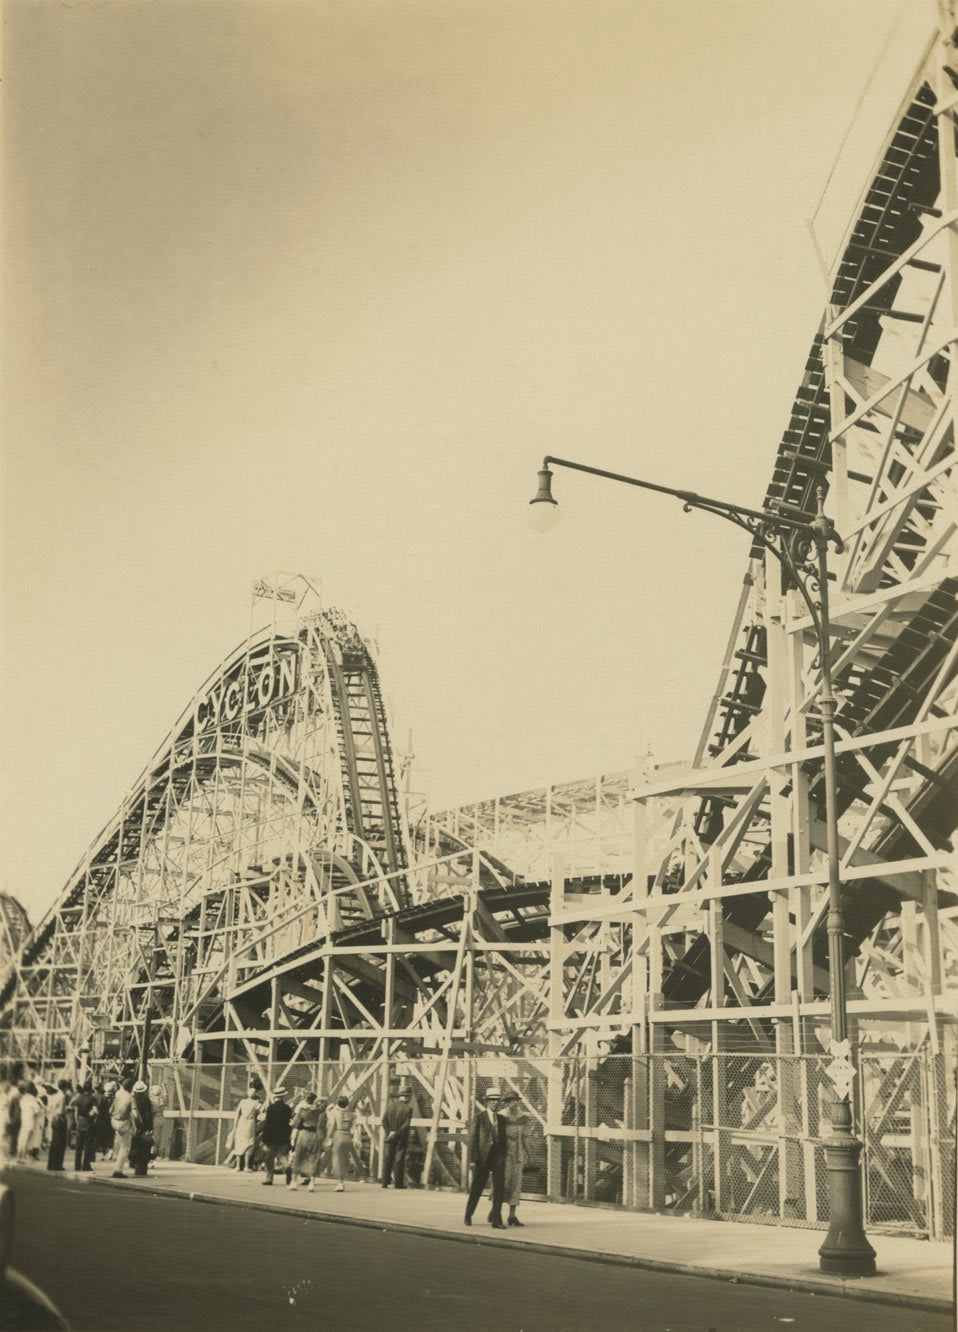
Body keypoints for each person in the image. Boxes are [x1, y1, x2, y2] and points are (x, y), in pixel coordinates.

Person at [464, 1086, 507, 1229]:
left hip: (498, 1156)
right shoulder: (479, 1117)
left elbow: (503, 1138)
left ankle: (496, 1220)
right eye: (492, 1100)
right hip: (482, 1158)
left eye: (497, 1100)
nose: (495, 1102)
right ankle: (468, 1215)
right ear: (487, 1101)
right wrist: (473, 1160)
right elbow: (472, 1139)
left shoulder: (502, 1119)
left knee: (499, 1188)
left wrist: (504, 1154)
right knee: (477, 1187)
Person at [499, 1091, 528, 1227]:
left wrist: (529, 1154)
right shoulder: (502, 1116)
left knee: (516, 1183)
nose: (515, 1103)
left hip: (517, 1152)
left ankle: (512, 1215)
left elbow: (524, 1137)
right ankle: (496, 1212)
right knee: (504, 1181)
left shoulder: (521, 1116)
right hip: (504, 1152)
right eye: (512, 1100)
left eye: (516, 1100)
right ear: (507, 1102)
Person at [288, 1092, 325, 1191]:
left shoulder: (302, 1110)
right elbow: (322, 1125)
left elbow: (295, 1124)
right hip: (314, 1135)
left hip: (303, 1134)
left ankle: (294, 1182)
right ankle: (311, 1183)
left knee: (298, 1157)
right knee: (313, 1158)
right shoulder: (319, 1112)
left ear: (305, 1100)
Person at [259, 1086, 293, 1186]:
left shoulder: (271, 1108)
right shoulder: (287, 1109)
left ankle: (269, 1178)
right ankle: (287, 1166)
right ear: (283, 1097)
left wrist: (264, 1138)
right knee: (281, 1155)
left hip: (272, 1136)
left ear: (275, 1097)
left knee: (269, 1158)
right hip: (284, 1136)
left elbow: (267, 1124)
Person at [380, 1086, 412, 1189]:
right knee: (399, 1160)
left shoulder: (390, 1106)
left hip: (389, 1136)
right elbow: (406, 1124)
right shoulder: (408, 1108)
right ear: (407, 1097)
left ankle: (384, 1182)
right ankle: (398, 1184)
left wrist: (389, 1132)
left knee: (388, 1158)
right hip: (401, 1137)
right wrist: (397, 1133)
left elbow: (384, 1120)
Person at [325, 1095, 359, 1192]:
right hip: (347, 1136)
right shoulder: (352, 1114)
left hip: (338, 1135)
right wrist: (356, 1138)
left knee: (337, 1160)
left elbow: (332, 1127)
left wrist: (328, 1138)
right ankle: (348, 1170)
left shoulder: (336, 1113)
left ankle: (340, 1183)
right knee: (344, 1158)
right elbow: (355, 1128)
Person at [70, 1082, 98, 1172]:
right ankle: (86, 1165)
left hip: (80, 1122)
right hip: (88, 1122)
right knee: (87, 1146)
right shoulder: (92, 1098)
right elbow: (96, 1111)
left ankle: (77, 1165)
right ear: (90, 1089)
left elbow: (76, 1112)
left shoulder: (79, 1097)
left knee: (78, 1146)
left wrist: (77, 1121)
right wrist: (93, 1117)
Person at [232, 1086, 260, 1172]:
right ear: (255, 1094)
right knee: (249, 1144)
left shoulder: (242, 1102)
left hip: (241, 1123)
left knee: (239, 1143)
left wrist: (235, 1126)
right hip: (250, 1123)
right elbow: (259, 1113)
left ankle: (238, 1166)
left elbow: (237, 1114)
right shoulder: (256, 1103)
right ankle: (247, 1167)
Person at [129, 1081, 154, 1176]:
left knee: (135, 1144)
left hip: (133, 1125)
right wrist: (150, 1127)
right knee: (144, 1147)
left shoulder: (133, 1098)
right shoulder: (145, 1100)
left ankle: (133, 1163)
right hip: (143, 1125)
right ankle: (142, 1169)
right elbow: (148, 1115)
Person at [110, 1077, 134, 1177]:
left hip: (114, 1120)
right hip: (123, 1122)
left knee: (119, 1142)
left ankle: (115, 1156)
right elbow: (133, 1113)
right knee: (126, 1147)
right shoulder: (130, 1098)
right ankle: (118, 1170)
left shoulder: (119, 1094)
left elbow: (110, 1110)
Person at [45, 1081, 70, 1172]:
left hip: (53, 1118)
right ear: (65, 1087)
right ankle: (57, 1164)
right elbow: (61, 1111)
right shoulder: (63, 1096)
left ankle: (51, 1163)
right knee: (60, 1143)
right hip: (59, 1119)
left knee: (54, 1142)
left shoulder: (54, 1095)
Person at [16, 1084, 43, 1162]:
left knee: (21, 1138)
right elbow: (37, 1110)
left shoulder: (23, 1098)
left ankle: (19, 1156)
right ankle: (23, 1157)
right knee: (27, 1140)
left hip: (23, 1119)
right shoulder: (32, 1099)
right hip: (30, 1120)